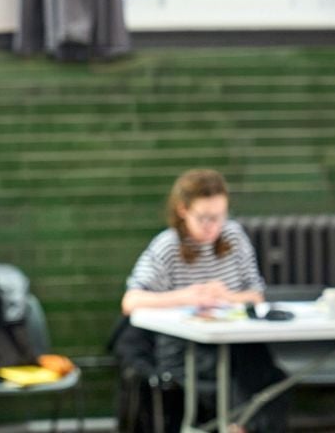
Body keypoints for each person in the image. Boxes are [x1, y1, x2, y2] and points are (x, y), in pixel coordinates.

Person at [121, 168, 288, 433]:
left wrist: (227, 296)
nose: (213, 225)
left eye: (220, 216)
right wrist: (186, 296)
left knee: (272, 378)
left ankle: (242, 426)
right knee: (225, 378)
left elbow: (255, 294)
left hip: (235, 340)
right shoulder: (167, 246)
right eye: (204, 218)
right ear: (183, 210)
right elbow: (130, 301)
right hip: (185, 346)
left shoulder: (234, 237)